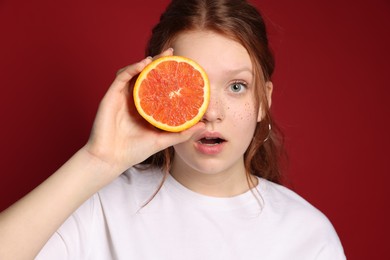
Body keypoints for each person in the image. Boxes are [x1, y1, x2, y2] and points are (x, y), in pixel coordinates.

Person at [0, 0, 346, 259]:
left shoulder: (307, 234)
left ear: (263, 102)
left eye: (236, 86)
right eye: (190, 87)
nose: (211, 112)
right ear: (155, 92)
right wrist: (96, 160)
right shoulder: (98, 208)